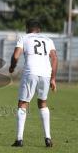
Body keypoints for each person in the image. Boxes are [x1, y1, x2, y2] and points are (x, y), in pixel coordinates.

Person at [9, 19, 58, 147]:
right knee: (42, 102)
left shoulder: (24, 38)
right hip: (46, 73)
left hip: (31, 71)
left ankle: (19, 139)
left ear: (27, 28)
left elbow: (15, 56)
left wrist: (12, 67)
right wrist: (53, 78)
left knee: (23, 103)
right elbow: (54, 58)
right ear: (39, 30)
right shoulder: (48, 40)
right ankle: (48, 138)